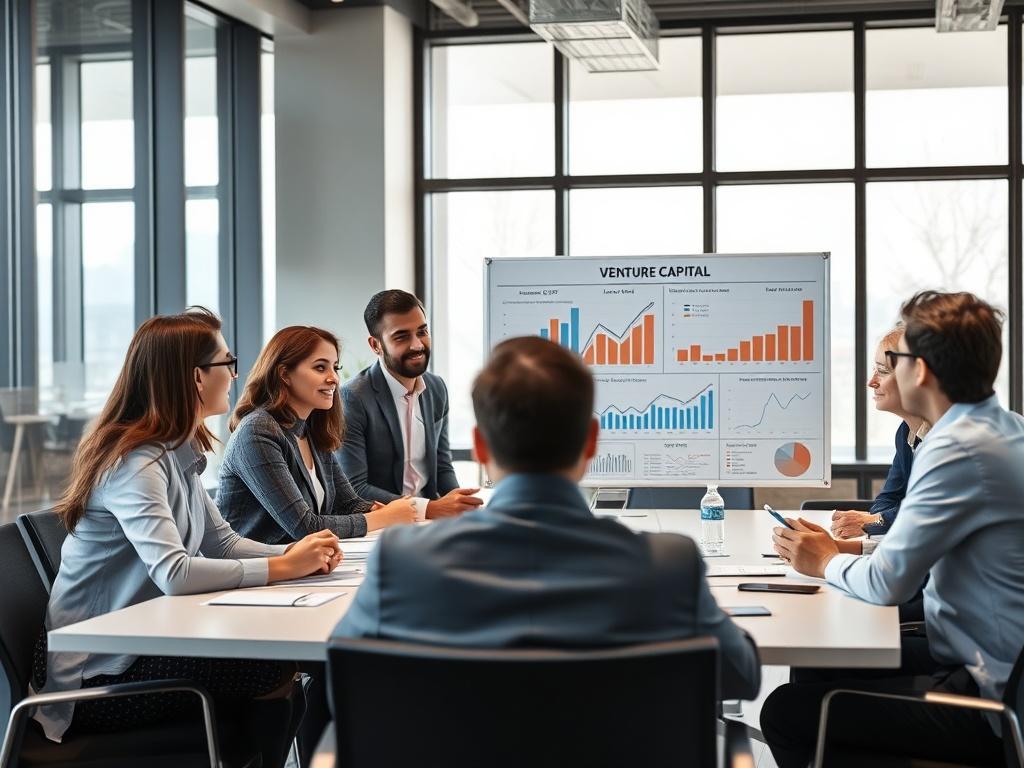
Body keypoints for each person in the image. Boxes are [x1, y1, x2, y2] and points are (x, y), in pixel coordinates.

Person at [334, 336, 761, 701]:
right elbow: (741, 677)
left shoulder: (401, 561)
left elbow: (345, 683)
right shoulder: (669, 565)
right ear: (591, 442)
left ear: (481, 449)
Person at [33, 308, 343, 767]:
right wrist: (283, 566)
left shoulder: (174, 451)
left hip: (141, 644)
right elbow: (174, 574)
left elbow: (222, 543)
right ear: (196, 377)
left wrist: (298, 553)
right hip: (94, 677)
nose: (236, 373)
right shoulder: (135, 463)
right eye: (226, 362)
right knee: (274, 667)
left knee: (286, 666)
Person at [763, 291, 1024, 768]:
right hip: (977, 659)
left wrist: (824, 560)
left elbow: (888, 582)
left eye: (894, 360)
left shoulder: (956, 450)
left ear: (919, 369)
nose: (882, 374)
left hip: (988, 697)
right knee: (816, 664)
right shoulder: (1001, 429)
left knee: (785, 712)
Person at [218, 324, 417, 544]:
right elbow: (305, 527)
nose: (334, 378)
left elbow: (346, 503)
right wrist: (384, 517)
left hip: (300, 567)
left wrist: (376, 508)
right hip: (257, 572)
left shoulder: (310, 430)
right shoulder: (257, 432)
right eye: (320, 368)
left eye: (335, 368)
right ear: (284, 374)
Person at [338, 289, 483, 521]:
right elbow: (355, 488)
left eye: (422, 332)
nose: (417, 345)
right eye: (401, 336)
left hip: (431, 523)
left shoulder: (436, 388)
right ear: (376, 345)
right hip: (384, 525)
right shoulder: (353, 398)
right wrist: (430, 508)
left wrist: (462, 508)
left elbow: (442, 466)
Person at [830, 326, 930, 541]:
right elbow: (887, 500)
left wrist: (877, 521)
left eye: (883, 371)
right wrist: (880, 519)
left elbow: (927, 513)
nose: (871, 382)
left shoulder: (951, 442)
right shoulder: (906, 433)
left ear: (917, 375)